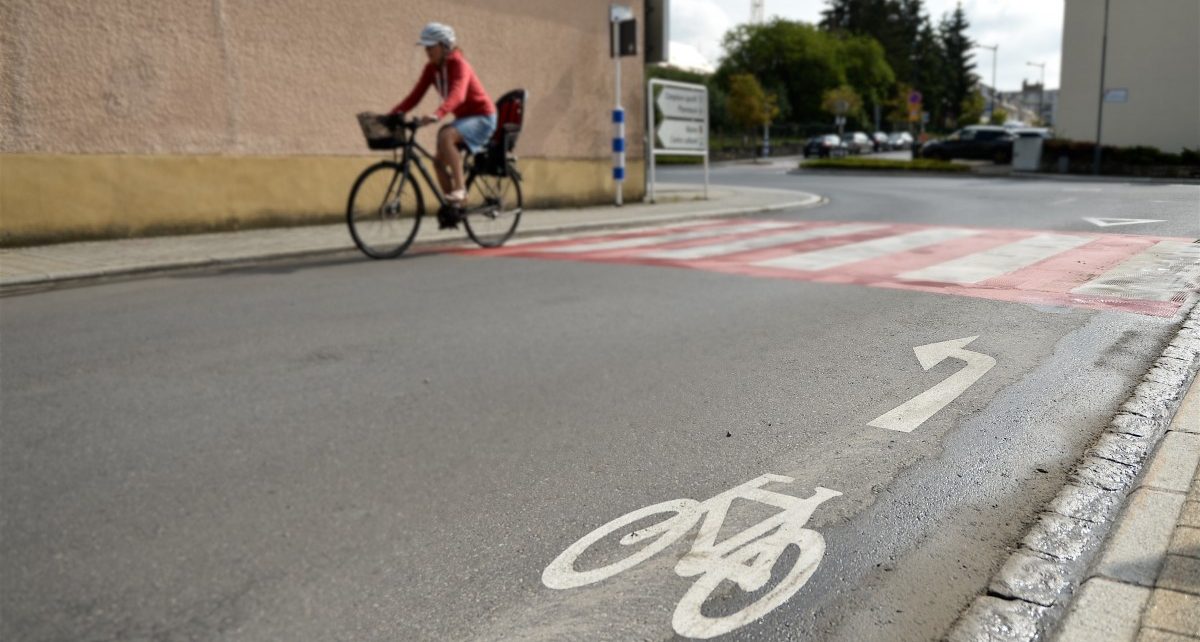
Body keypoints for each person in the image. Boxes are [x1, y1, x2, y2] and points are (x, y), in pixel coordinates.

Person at [390, 22, 496, 227]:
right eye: (425, 47)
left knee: (445, 135)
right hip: (465, 119)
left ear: (445, 46)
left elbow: (458, 94)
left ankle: (461, 189)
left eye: (431, 46)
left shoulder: (459, 64)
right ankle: (454, 210)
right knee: (438, 161)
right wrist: (393, 115)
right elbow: (414, 96)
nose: (427, 51)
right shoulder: (431, 69)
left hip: (483, 117)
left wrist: (438, 114)